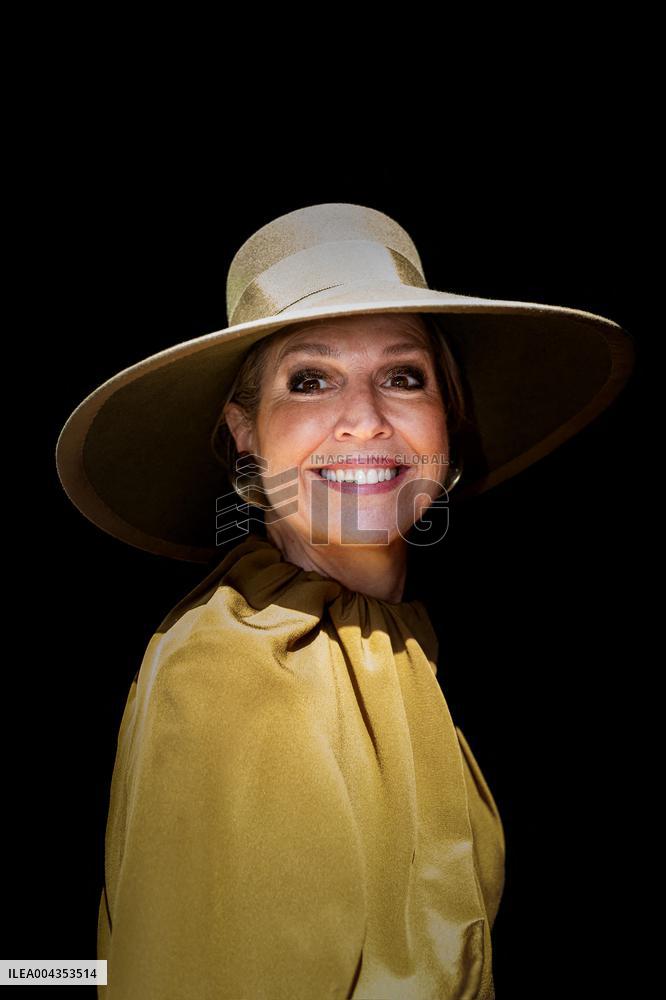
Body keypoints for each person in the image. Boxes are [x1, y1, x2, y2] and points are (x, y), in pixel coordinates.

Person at [55, 202, 635, 999]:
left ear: (446, 422)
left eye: (403, 376)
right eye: (310, 380)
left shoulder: (390, 640)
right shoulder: (232, 666)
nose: (364, 420)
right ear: (246, 433)